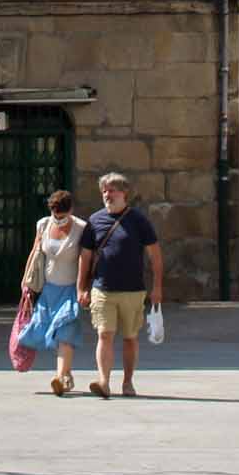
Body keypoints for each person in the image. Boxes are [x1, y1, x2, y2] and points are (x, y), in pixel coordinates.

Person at [75, 171, 163, 400]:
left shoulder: (138, 220)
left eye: (111, 190)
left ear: (124, 193)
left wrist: (157, 287)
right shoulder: (94, 221)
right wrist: (81, 287)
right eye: (104, 191)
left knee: (130, 337)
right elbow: (85, 256)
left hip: (133, 290)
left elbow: (155, 255)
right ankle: (104, 381)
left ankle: (127, 381)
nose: (107, 194)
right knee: (104, 334)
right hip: (102, 288)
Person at [17, 189, 85, 396]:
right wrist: (26, 280)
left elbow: (85, 259)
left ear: (70, 210)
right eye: (56, 215)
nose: (59, 219)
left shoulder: (82, 228)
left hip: (70, 289)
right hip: (48, 289)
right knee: (47, 331)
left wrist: (83, 287)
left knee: (65, 333)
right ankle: (66, 376)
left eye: (62, 216)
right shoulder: (44, 224)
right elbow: (36, 251)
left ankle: (61, 377)